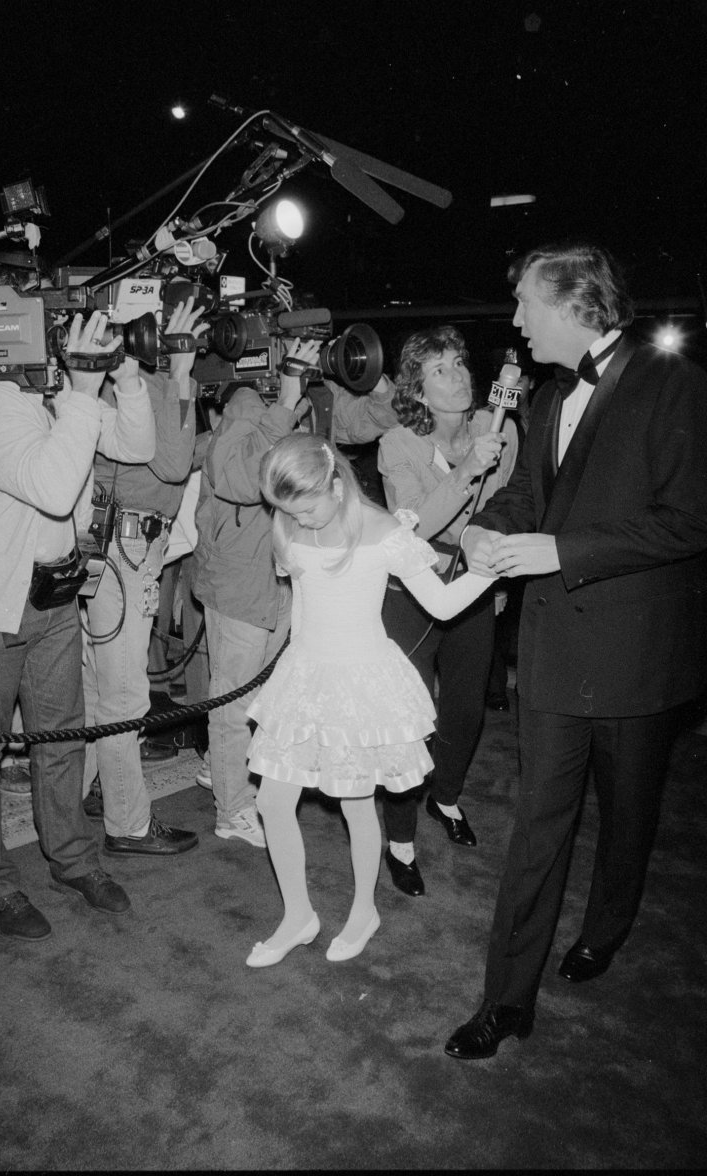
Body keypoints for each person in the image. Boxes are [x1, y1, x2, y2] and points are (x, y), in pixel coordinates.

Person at [444, 241, 707, 1060]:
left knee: (628, 818)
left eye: (525, 304)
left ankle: (608, 927)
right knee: (537, 828)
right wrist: (489, 529)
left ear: (574, 302)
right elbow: (532, 496)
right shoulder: (549, 398)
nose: (516, 321)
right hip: (552, 651)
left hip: (636, 656)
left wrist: (566, 551)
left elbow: (691, 519)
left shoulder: (678, 386)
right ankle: (507, 999)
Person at [243, 433, 494, 967]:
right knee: (271, 801)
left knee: (356, 804)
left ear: (335, 484)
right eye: (287, 509)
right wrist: (292, 670)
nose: (298, 518)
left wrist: (487, 574)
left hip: (361, 681)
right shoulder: (289, 524)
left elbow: (444, 605)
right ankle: (298, 916)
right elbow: (303, 607)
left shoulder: (385, 532)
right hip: (308, 675)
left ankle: (364, 910)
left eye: (306, 506)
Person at [0, 310, 155, 940]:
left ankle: (72, 861)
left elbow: (138, 446)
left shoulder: (54, 394)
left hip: (55, 596)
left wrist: (124, 377)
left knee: (61, 738)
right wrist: (84, 391)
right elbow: (55, 489)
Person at [192, 340, 400, 849]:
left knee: (265, 695)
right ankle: (233, 808)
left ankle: (222, 770)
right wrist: (284, 400)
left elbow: (378, 418)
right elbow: (239, 479)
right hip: (242, 576)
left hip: (291, 572)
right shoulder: (245, 399)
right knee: (234, 700)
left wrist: (368, 375)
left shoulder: (318, 394)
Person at [377, 326, 517, 896]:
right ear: (418, 388)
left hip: (476, 585)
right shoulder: (396, 445)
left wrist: (497, 572)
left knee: (464, 710)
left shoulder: (496, 430)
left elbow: (509, 508)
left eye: (459, 363)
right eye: (440, 370)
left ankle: (446, 797)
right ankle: (400, 838)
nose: (457, 375)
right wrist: (464, 474)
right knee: (410, 717)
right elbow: (417, 525)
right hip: (414, 586)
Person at [80, 297, 206, 856]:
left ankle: (91, 789)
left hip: (108, 545)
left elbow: (170, 459)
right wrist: (180, 373)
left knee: (95, 684)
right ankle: (127, 825)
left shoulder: (104, 378)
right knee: (125, 694)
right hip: (127, 548)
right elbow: (174, 464)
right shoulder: (142, 383)